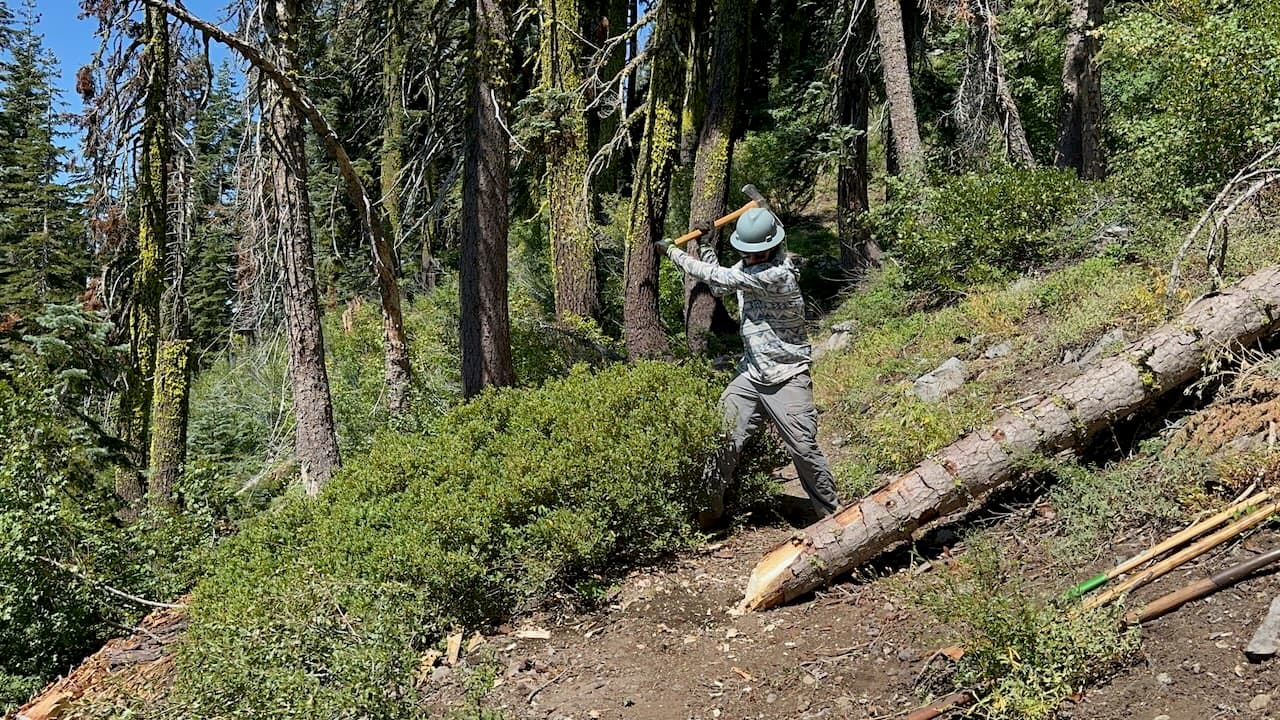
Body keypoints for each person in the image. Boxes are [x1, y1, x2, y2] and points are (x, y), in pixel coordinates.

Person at [656, 207, 840, 526]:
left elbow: (718, 278)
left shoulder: (777, 274)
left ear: (770, 248)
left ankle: (836, 519)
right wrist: (708, 246)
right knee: (722, 437)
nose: (748, 257)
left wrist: (674, 252)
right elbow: (723, 286)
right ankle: (707, 516)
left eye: (753, 252)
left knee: (803, 449)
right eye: (745, 252)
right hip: (751, 374)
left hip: (787, 376)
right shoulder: (751, 264)